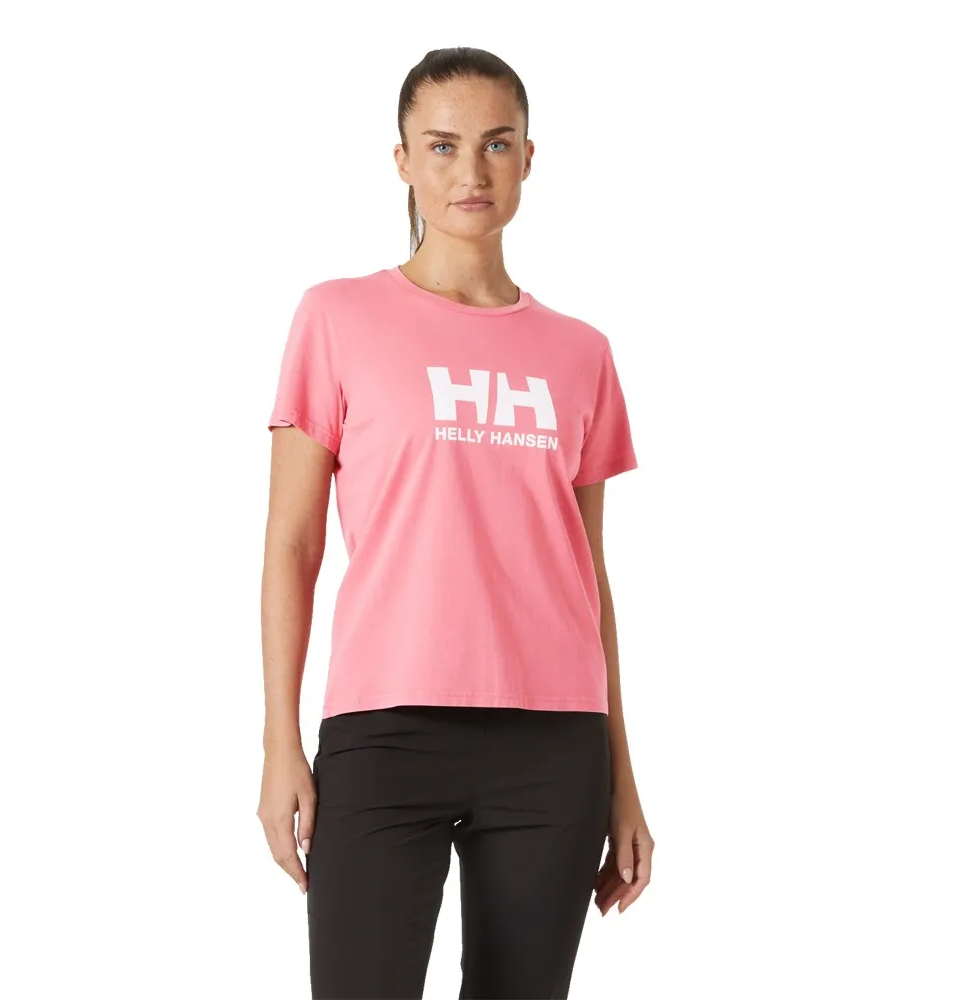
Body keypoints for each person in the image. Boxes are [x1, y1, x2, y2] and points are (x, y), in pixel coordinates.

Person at [258, 46, 654, 1000]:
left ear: (529, 158)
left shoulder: (581, 353)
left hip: (553, 743)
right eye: (441, 146)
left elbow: (587, 574)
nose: (470, 171)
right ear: (401, 159)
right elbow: (293, 547)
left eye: (496, 144)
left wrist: (623, 776)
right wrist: (279, 744)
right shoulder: (337, 318)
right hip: (385, 731)